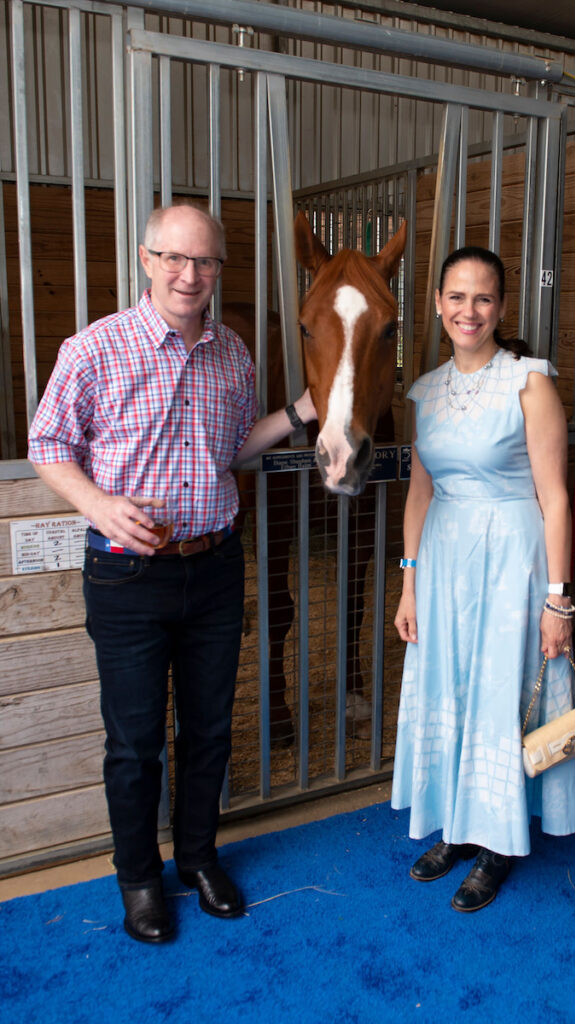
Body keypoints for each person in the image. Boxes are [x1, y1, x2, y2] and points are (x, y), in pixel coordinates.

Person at [28, 202, 317, 944]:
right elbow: (46, 442)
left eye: (206, 262)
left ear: (219, 270)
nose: (191, 275)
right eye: (176, 259)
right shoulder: (93, 349)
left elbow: (231, 448)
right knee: (134, 742)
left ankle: (197, 860)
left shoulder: (232, 353)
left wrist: (297, 412)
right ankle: (137, 879)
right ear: (146, 259)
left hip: (214, 566)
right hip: (128, 575)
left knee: (211, 730)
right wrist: (98, 504)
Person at [392, 246, 575, 912]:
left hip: (513, 556)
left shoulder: (529, 381)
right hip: (444, 558)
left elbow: (555, 497)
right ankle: (456, 824)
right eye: (455, 297)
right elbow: (419, 492)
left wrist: (557, 600)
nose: (467, 310)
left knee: (504, 688)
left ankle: (498, 843)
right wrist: (409, 581)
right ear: (438, 305)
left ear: (500, 308)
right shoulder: (422, 389)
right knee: (450, 683)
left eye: (481, 298)